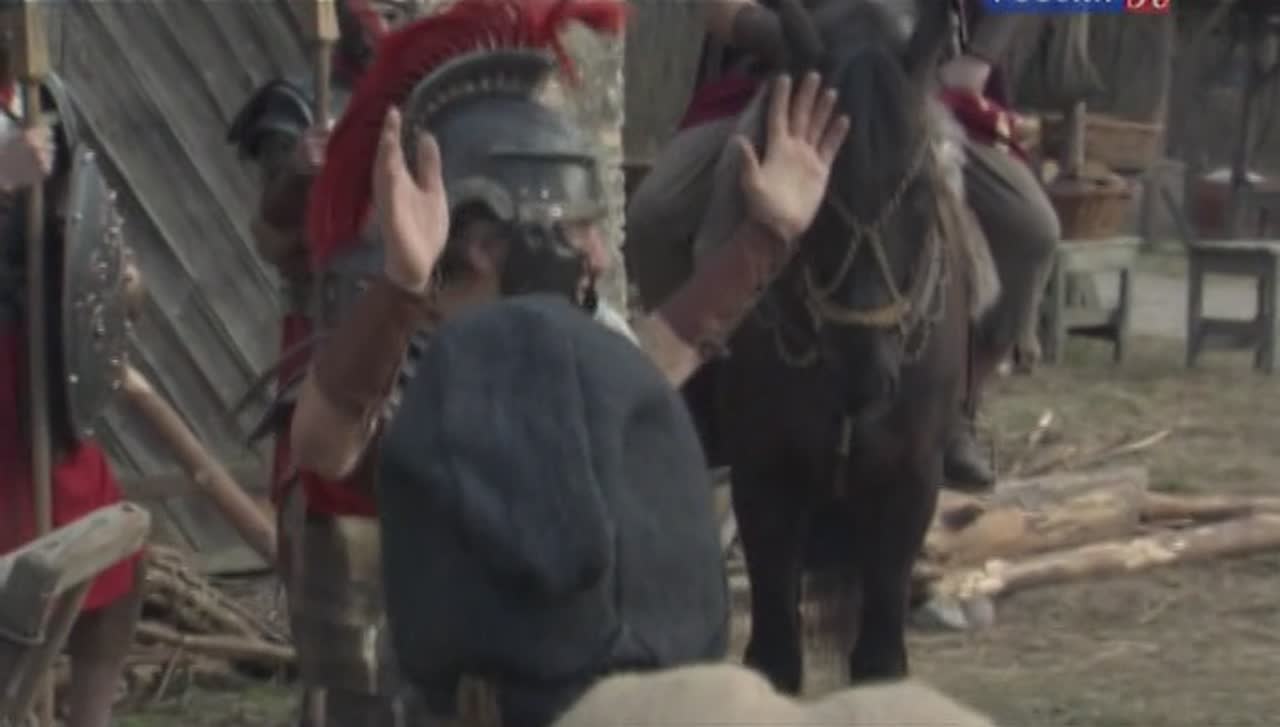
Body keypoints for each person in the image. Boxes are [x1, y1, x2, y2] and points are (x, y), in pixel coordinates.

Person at [283, 0, 848, 723]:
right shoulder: (387, 348)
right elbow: (326, 444)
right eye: (580, 229)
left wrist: (767, 237)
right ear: (489, 244)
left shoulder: (567, 341)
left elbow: (647, 365)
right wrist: (400, 287)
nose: (601, 255)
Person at [626, 0, 1061, 491]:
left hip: (917, 76)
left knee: (1032, 229)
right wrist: (771, 33)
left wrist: (978, 56)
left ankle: (957, 405)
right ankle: (698, 399)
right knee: (655, 215)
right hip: (792, 73)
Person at [228, 3, 432, 724]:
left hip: (424, 339)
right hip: (328, 335)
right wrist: (298, 178)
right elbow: (271, 239)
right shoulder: (299, 101)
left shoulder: (441, 95)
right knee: (323, 537)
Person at [0, 63, 142, 727]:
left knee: (113, 553)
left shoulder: (37, 97)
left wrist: (111, 278)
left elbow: (77, 226)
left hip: (33, 385)